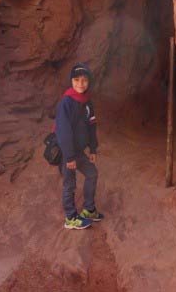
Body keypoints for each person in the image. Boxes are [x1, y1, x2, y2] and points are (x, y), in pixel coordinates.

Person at [55, 63, 104, 230]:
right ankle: (70, 217)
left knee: (92, 173)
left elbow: (92, 126)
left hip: (80, 151)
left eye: (84, 80)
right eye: (76, 80)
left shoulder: (88, 103)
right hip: (67, 152)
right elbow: (63, 131)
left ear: (88, 82)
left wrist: (93, 148)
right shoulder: (66, 103)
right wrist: (69, 157)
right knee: (70, 183)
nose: (80, 84)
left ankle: (89, 209)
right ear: (71, 81)